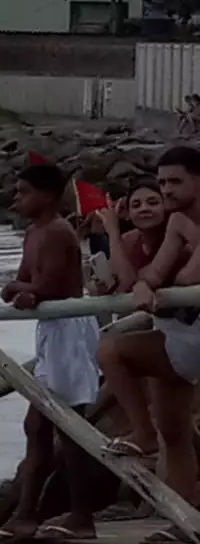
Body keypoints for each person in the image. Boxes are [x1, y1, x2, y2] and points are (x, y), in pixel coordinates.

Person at [0, 162, 102, 542]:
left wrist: (26, 290)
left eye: (24, 192)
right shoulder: (33, 233)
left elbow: (50, 285)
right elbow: (26, 279)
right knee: (37, 425)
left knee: (67, 426)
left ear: (49, 195)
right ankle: (28, 512)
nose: (17, 198)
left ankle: (79, 515)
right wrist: (20, 288)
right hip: (50, 330)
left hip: (69, 328)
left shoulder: (57, 231)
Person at [97, 146, 200, 544]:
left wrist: (174, 281)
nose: (166, 190)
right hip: (179, 337)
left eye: (175, 181)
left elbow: (188, 276)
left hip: (193, 336)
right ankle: (182, 522)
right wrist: (144, 283)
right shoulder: (177, 222)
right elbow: (153, 274)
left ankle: (139, 434)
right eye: (161, 182)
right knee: (173, 434)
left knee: (112, 349)